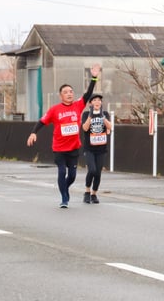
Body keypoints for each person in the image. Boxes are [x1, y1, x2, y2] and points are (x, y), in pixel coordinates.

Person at [27, 64, 102, 208]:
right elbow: (42, 121)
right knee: (62, 172)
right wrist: (33, 133)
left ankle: (64, 188)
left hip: (73, 147)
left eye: (71, 91)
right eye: (66, 92)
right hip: (59, 148)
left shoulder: (78, 106)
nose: (69, 94)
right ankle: (64, 198)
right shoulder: (55, 110)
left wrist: (94, 77)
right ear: (61, 95)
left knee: (72, 176)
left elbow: (87, 94)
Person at [81, 94, 112, 204]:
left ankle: (94, 194)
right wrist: (90, 116)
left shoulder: (105, 114)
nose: (97, 102)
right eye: (94, 100)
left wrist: (103, 117)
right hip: (89, 148)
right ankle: (87, 192)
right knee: (92, 170)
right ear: (91, 103)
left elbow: (110, 127)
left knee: (98, 172)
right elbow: (84, 128)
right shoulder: (85, 114)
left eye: (99, 100)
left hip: (101, 148)